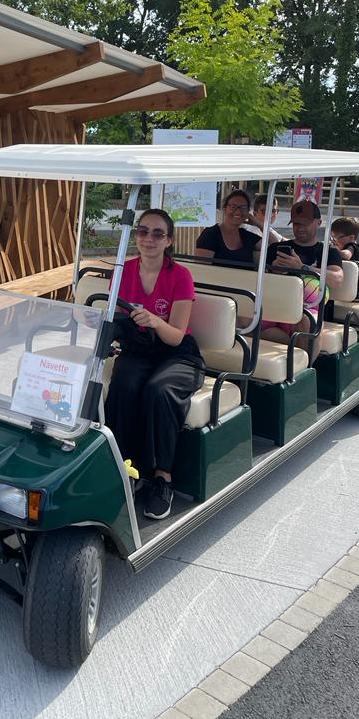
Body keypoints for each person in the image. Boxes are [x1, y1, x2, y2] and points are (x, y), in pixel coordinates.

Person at [106, 209, 205, 521]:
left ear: (169, 240)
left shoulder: (180, 276)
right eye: (143, 231)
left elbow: (176, 336)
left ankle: (162, 478)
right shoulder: (123, 271)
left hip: (177, 354)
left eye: (157, 233)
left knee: (159, 391)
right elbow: (114, 318)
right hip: (138, 349)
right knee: (122, 384)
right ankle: (124, 467)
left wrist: (154, 321)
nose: (148, 239)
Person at [262, 200, 344, 362]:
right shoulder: (276, 249)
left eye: (305, 224)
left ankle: (303, 371)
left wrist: (302, 267)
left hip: (308, 308)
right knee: (244, 320)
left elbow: (337, 279)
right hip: (277, 306)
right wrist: (275, 270)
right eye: (296, 224)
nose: (300, 228)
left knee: (305, 320)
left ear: (318, 223)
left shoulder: (328, 252)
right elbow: (262, 281)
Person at [196, 189, 259, 265]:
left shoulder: (247, 236)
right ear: (225, 209)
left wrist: (258, 224)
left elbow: (273, 246)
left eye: (243, 208)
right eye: (233, 207)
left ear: (248, 212)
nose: (238, 211)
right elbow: (202, 270)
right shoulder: (210, 234)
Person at [331, 216, 359, 297]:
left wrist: (334, 249)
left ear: (351, 237)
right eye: (333, 238)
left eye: (337, 238)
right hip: (353, 288)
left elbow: (346, 255)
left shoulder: (352, 246)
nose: (334, 241)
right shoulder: (349, 246)